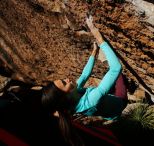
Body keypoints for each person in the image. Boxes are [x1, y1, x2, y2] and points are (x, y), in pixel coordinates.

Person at [41, 15, 128, 145]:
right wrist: (99, 37)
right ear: (66, 96)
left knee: (109, 81)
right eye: (65, 83)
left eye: (63, 79)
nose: (68, 79)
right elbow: (116, 68)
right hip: (120, 102)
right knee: (119, 76)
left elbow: (85, 75)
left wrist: (94, 52)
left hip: (107, 106)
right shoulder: (90, 101)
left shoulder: (73, 97)